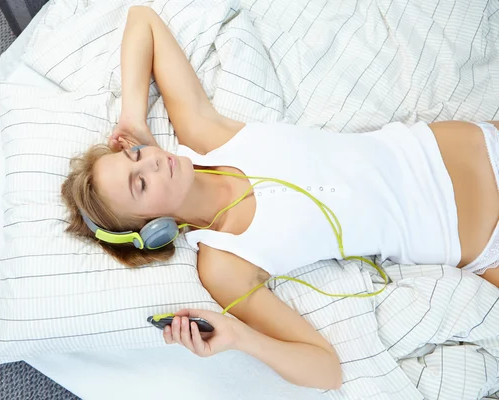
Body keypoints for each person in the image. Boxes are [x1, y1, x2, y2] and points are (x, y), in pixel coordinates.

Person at [60, 5, 499, 390]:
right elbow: (326, 370)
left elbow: (143, 19)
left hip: (482, 144)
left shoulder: (206, 138)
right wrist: (238, 337)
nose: (151, 162)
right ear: (153, 229)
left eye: (137, 155)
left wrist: (133, 120)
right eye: (139, 183)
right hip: (483, 245)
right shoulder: (224, 265)